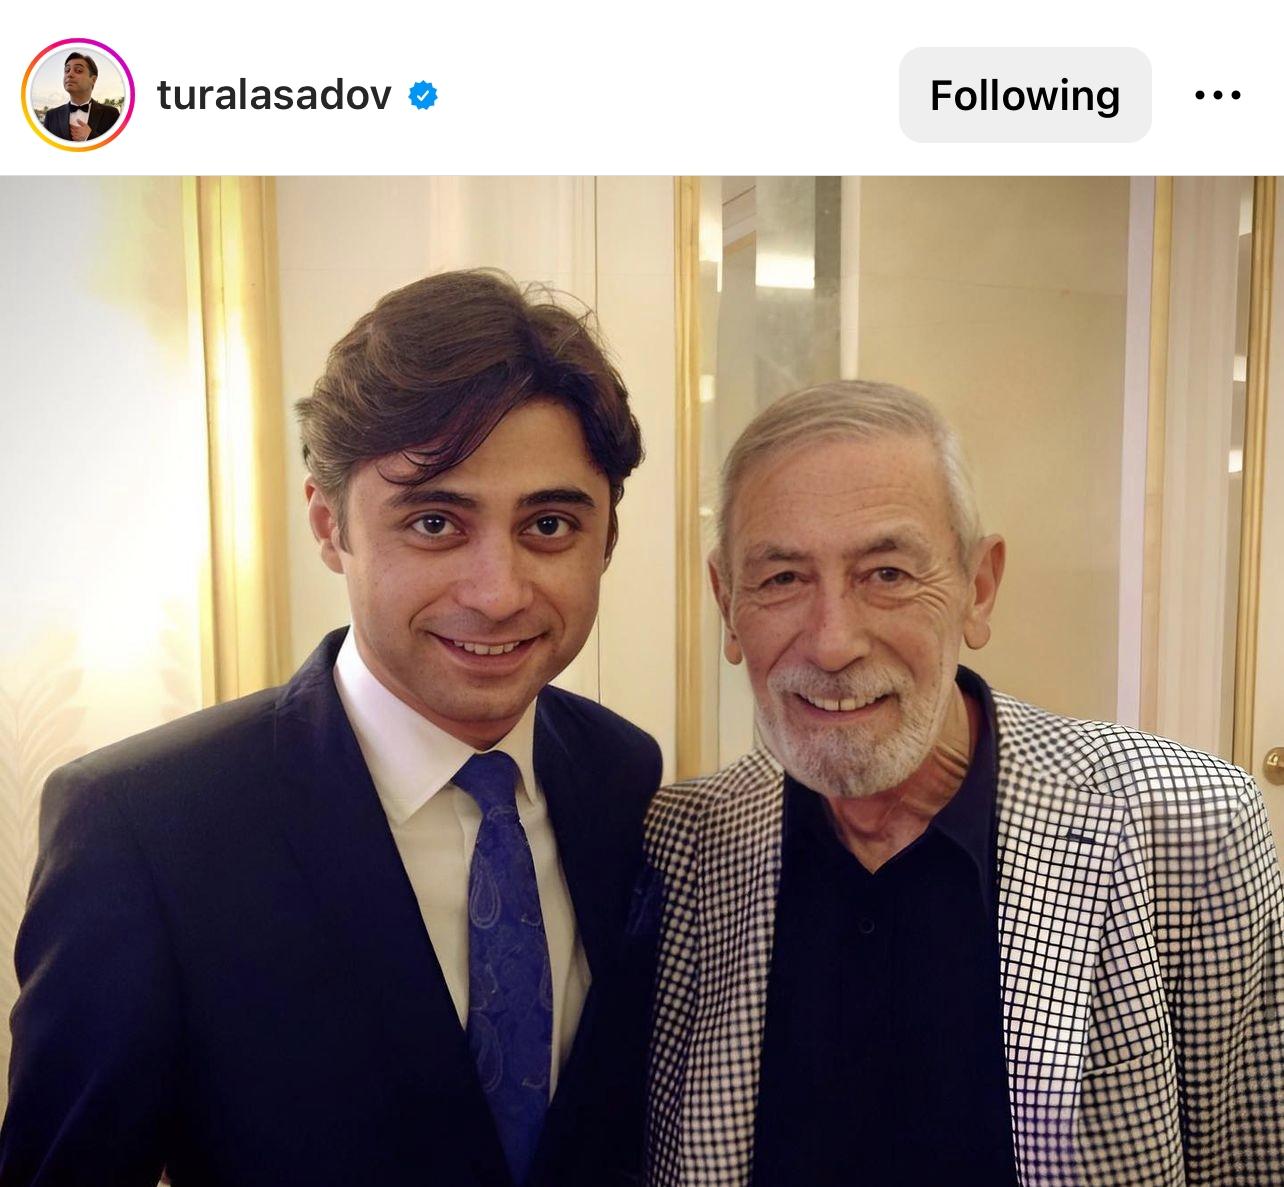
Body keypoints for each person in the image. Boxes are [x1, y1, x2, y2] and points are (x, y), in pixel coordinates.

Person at [0, 270, 662, 1186]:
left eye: (548, 524)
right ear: (327, 523)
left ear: (606, 538)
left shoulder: (621, 771)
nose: (498, 591)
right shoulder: (146, 827)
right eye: (435, 521)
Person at [645, 380, 1283, 1186]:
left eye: (886, 573)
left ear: (979, 587)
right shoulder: (680, 843)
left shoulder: (1189, 829)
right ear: (727, 603)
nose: (833, 642)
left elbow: (1248, 1157)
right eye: (782, 579)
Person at [41, 52, 120, 142]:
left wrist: (90, 137)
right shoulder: (51, 116)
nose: (69, 74)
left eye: (78, 70)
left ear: (93, 80)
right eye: (67, 70)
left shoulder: (111, 114)